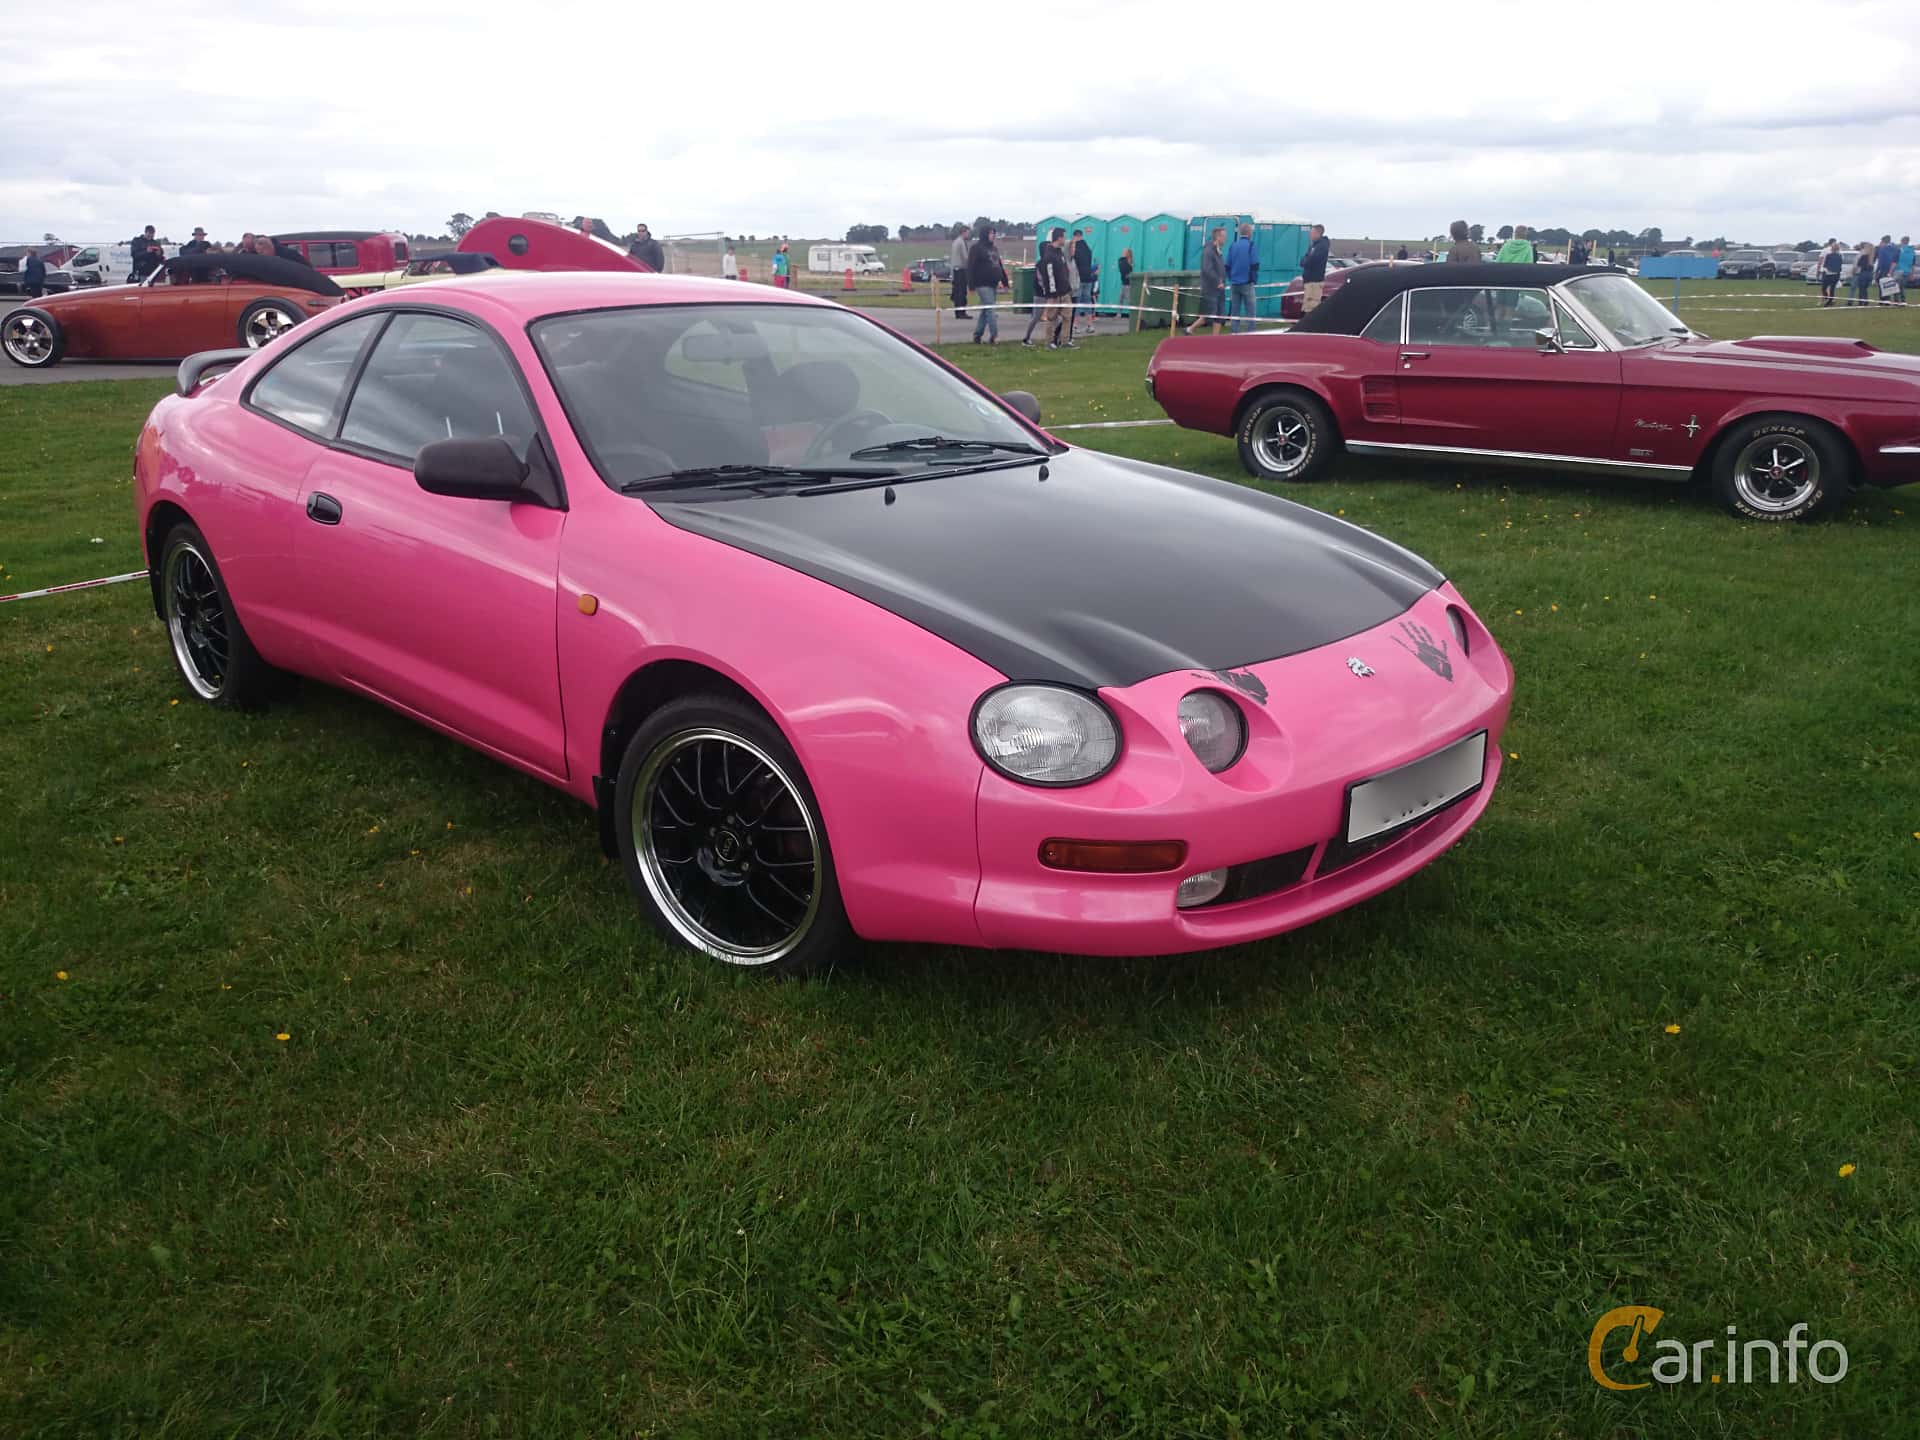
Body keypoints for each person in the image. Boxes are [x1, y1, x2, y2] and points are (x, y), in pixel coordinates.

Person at [1025, 227, 1075, 349]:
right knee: (1051, 318)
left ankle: (1065, 341)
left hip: (1065, 291)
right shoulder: (1049, 256)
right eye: (1064, 236)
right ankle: (1049, 342)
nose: (1065, 239)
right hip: (1055, 294)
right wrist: (1052, 294)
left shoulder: (1060, 253)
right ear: (1059, 238)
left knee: (1067, 317)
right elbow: (1049, 276)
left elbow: (1064, 271)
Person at [967, 225, 1007, 344]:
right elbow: (970, 267)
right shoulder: (976, 248)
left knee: (985, 311)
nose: (993, 235)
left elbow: (999, 265)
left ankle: (977, 335)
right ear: (985, 234)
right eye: (990, 233)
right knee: (991, 310)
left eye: (994, 233)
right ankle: (994, 336)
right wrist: (971, 285)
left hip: (993, 283)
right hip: (982, 284)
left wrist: (1004, 281)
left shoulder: (994, 249)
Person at [1187, 225, 1226, 335]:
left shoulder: (1218, 251)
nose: (1225, 239)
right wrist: (1218, 281)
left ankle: (1215, 339)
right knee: (1210, 315)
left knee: (1220, 314)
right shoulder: (1208, 251)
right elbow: (1207, 269)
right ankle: (1190, 329)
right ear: (1217, 237)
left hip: (1220, 288)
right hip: (1210, 288)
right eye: (1223, 236)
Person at [1224, 222, 1259, 332]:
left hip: (1234, 283)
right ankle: (1251, 333)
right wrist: (1253, 280)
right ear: (1249, 233)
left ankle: (1234, 333)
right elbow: (1255, 264)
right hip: (1247, 283)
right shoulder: (1251, 245)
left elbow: (1227, 265)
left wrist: (1231, 278)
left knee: (1235, 311)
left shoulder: (1233, 245)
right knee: (1250, 311)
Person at [1299, 223, 1331, 314]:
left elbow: (1311, 261)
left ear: (1318, 233)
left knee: (1311, 307)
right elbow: (1304, 259)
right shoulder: (1313, 245)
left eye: (1312, 233)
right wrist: (1305, 260)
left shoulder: (1321, 246)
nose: (1310, 235)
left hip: (1315, 281)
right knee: (1307, 306)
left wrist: (1306, 261)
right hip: (1309, 281)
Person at [1070, 229, 1096, 337]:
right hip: (1088, 278)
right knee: (1087, 302)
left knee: (1077, 302)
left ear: (1075, 236)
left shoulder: (1075, 247)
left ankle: (1075, 325)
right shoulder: (1087, 248)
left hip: (1078, 278)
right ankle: (1090, 325)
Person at [949, 224, 971, 318]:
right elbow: (965, 257)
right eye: (968, 232)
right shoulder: (961, 242)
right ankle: (961, 312)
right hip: (961, 270)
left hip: (955, 269)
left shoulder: (955, 242)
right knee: (961, 292)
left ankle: (958, 312)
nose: (968, 234)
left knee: (957, 291)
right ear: (964, 232)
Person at [1820, 238, 1843, 306]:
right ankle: (1829, 299)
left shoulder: (1831, 255)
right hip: (1835, 274)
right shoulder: (1839, 256)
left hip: (1830, 274)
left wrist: (1827, 270)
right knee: (1831, 289)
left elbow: (1825, 265)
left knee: (1825, 287)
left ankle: (1828, 299)